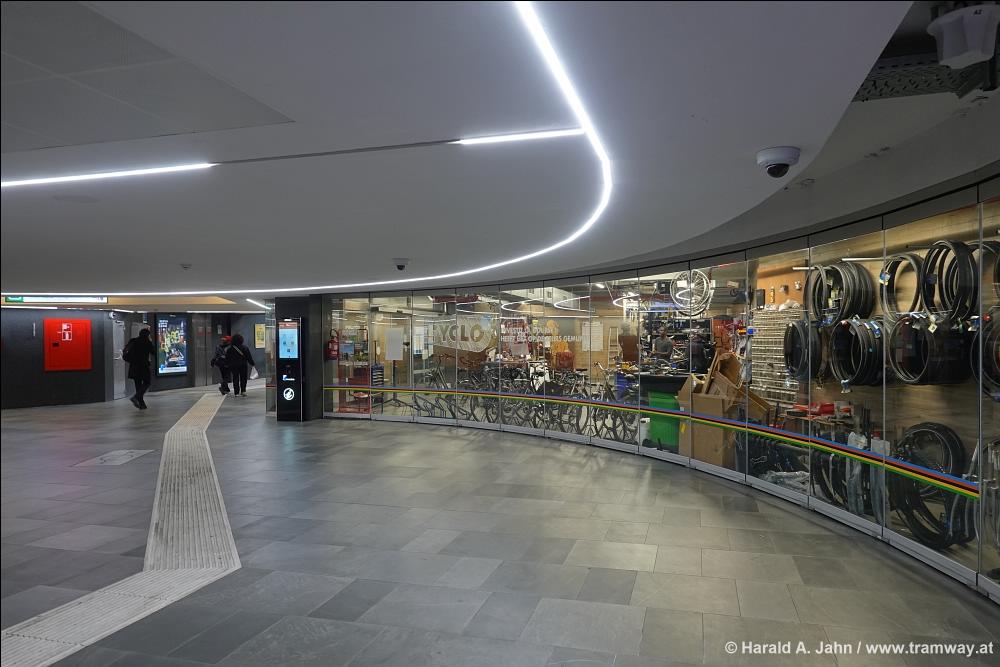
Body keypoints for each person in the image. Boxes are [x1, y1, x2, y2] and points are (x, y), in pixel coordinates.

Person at [124, 328, 155, 410]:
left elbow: (126, 351)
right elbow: (154, 352)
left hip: (133, 366)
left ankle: (142, 404)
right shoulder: (147, 342)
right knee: (147, 382)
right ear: (147, 335)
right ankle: (136, 397)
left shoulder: (133, 341)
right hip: (143, 366)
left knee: (138, 385)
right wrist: (151, 342)